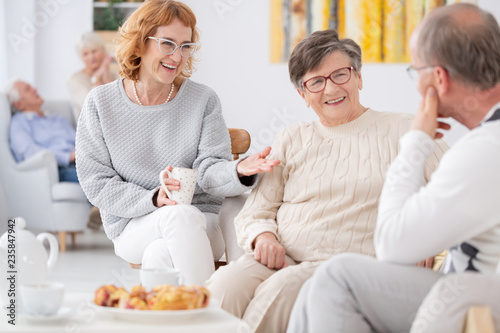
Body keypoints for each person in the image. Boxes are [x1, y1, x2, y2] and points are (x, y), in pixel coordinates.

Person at [205, 29, 448, 333]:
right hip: (282, 256)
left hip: (347, 267)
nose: (330, 89)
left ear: (358, 77)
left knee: (280, 291)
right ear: (303, 95)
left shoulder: (404, 129)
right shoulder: (291, 138)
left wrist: (428, 239)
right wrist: (262, 237)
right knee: (223, 286)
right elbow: (256, 212)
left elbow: (455, 192)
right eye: (316, 82)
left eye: (340, 75)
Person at [287, 3, 500, 333]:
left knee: (335, 277)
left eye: (416, 71)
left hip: (480, 303)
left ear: (439, 78)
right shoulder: (485, 144)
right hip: (469, 291)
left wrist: (415, 141)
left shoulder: (483, 151)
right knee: (319, 287)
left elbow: (391, 243)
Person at [75, 0, 279, 286]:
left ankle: (179, 319)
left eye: (186, 46)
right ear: (138, 45)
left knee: (161, 252)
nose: (178, 55)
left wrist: (238, 170)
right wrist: (154, 198)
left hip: (202, 220)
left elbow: (209, 169)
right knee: (177, 216)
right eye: (168, 43)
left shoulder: (202, 100)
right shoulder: (100, 103)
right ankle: (214, 316)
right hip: (132, 225)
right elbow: (96, 182)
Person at [5, 79, 78, 183]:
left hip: (82, 160)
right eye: (28, 89)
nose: (34, 89)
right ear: (19, 104)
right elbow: (30, 152)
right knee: (98, 180)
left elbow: (79, 140)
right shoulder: (19, 122)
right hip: (60, 168)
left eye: (32, 87)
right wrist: (67, 157)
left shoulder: (58, 118)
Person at [67, 31, 119, 120]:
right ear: (81, 57)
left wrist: (106, 78)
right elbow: (93, 107)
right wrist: (97, 77)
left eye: (94, 51)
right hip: (90, 130)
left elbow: (119, 105)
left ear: (103, 50)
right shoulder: (75, 80)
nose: (91, 57)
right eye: (85, 54)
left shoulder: (114, 75)